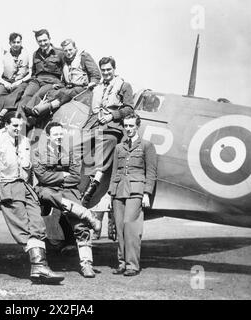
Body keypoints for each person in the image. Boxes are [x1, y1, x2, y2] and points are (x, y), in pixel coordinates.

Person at [0, 111, 64, 284]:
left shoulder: (25, 142)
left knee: (37, 224)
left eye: (20, 126)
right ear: (6, 125)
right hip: (8, 188)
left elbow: (28, 168)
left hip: (25, 188)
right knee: (23, 227)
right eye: (14, 125)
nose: (18, 129)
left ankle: (39, 268)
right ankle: (39, 266)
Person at [32, 122, 101, 278]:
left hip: (68, 191)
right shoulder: (38, 153)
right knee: (47, 194)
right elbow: (41, 176)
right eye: (56, 134)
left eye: (61, 134)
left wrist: (55, 179)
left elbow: (76, 178)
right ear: (48, 136)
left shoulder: (70, 153)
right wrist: (63, 175)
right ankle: (88, 214)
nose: (59, 137)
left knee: (80, 226)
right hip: (47, 191)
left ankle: (86, 264)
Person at [108, 112, 157, 276]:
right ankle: (122, 263)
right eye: (125, 126)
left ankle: (132, 265)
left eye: (131, 126)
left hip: (136, 191)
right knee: (120, 227)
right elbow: (115, 171)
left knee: (131, 227)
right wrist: (111, 194)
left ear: (137, 126)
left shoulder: (147, 146)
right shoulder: (119, 148)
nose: (128, 129)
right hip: (119, 191)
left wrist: (146, 193)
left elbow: (151, 172)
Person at [81, 56, 134, 206]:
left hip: (112, 127)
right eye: (103, 70)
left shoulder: (124, 85)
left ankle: (94, 183)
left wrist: (112, 116)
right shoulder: (97, 87)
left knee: (107, 143)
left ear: (114, 69)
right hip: (94, 125)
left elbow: (129, 108)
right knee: (76, 145)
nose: (106, 73)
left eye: (108, 69)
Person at [28, 39, 101, 119]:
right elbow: (64, 80)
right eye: (65, 51)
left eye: (70, 50)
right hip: (69, 87)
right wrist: (58, 85)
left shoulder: (83, 57)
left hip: (83, 89)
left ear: (75, 48)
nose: (68, 53)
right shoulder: (65, 60)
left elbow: (96, 75)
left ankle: (44, 108)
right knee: (51, 92)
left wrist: (92, 83)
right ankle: (36, 111)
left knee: (66, 93)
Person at [0, 32, 32, 137]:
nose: (16, 44)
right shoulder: (4, 56)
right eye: (14, 42)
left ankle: (2, 114)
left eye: (18, 42)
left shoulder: (27, 54)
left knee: (19, 92)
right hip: (6, 81)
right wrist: (5, 83)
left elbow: (31, 74)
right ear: (10, 43)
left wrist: (20, 81)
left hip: (21, 81)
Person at [19, 29, 64, 116]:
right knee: (26, 95)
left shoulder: (60, 53)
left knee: (39, 94)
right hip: (37, 80)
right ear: (37, 41)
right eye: (40, 41)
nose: (43, 43)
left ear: (49, 39)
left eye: (45, 40)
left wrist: (62, 84)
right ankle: (19, 120)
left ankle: (30, 115)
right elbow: (34, 72)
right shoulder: (35, 54)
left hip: (52, 81)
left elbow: (65, 70)